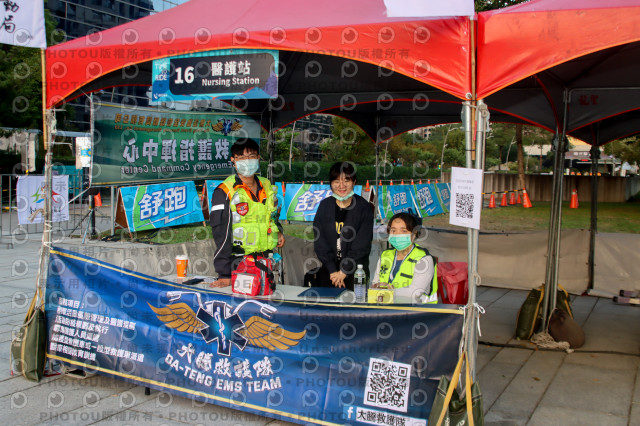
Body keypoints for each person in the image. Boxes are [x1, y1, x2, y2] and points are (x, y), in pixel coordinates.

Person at [209, 139, 285, 288]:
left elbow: (272, 216)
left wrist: (279, 232)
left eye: (251, 156)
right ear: (233, 160)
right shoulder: (225, 191)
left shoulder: (267, 185)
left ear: (258, 158)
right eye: (242, 157)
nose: (247, 161)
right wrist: (225, 274)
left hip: (267, 262)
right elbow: (221, 236)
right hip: (240, 264)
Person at [311, 162, 374, 290]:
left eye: (346, 180)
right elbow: (320, 241)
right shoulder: (325, 206)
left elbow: (362, 244)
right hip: (330, 272)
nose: (341, 186)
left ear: (354, 182)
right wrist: (333, 271)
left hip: (356, 271)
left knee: (354, 302)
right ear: (331, 184)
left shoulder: (363, 208)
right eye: (336, 181)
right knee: (327, 302)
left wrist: (344, 271)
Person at [372, 212, 438, 304]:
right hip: (386, 308)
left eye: (404, 231)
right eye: (393, 231)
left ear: (414, 234)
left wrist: (387, 291)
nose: (397, 234)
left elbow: (415, 292)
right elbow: (375, 285)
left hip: (418, 310)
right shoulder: (385, 256)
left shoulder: (424, 259)